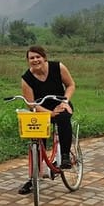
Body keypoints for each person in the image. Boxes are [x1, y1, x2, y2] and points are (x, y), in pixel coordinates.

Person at [18, 45, 76, 195]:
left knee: (63, 119)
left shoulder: (58, 67)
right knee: (37, 138)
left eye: (38, 57)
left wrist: (64, 102)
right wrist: (50, 113)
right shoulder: (26, 79)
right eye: (32, 58)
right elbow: (31, 104)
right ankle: (33, 178)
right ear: (28, 61)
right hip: (41, 110)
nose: (35, 60)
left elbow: (70, 85)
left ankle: (65, 156)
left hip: (60, 103)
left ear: (44, 58)